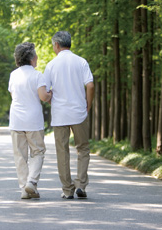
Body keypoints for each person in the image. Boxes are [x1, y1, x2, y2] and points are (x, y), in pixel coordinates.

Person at [43, 31, 95, 199]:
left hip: (60, 114)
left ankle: (67, 189)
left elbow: (45, 93)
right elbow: (91, 86)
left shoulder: (51, 65)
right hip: (79, 112)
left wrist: (53, 101)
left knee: (62, 151)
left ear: (56, 45)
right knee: (83, 148)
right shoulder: (81, 62)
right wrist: (88, 105)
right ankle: (81, 185)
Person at [8, 42, 52, 199]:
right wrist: (51, 93)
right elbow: (43, 97)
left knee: (20, 155)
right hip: (33, 121)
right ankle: (32, 182)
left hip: (16, 120)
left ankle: (23, 189)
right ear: (32, 58)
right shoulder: (37, 75)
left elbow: (14, 96)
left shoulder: (13, 75)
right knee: (38, 152)